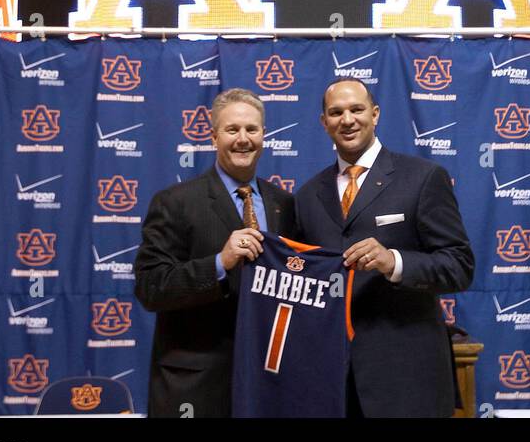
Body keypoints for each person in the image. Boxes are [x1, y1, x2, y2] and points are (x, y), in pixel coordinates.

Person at [294, 78, 474, 418]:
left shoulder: (422, 178)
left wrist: (394, 262)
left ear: (375, 114)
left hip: (407, 379)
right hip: (331, 380)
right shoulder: (307, 196)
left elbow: (459, 267)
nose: (347, 119)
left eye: (357, 109)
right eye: (336, 112)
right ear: (324, 122)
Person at [134, 88, 295, 418]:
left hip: (268, 381)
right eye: (232, 130)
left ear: (264, 135)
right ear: (212, 136)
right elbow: (150, 288)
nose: (243, 139)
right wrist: (220, 263)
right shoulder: (175, 202)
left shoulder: (285, 205)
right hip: (195, 388)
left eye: (252, 129)